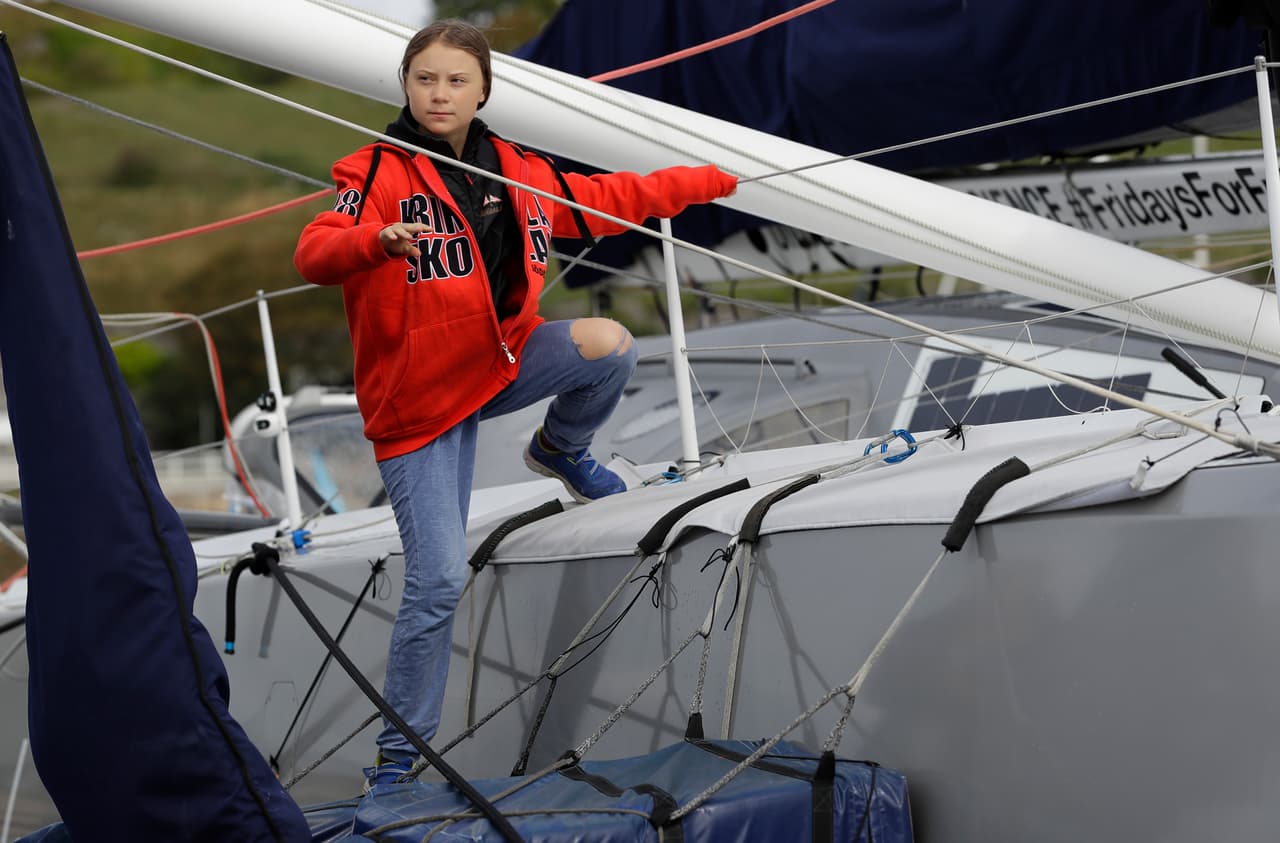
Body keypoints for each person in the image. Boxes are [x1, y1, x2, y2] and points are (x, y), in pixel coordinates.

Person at [293, 19, 738, 789]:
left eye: (456, 81)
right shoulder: (372, 170)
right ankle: (395, 765)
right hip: (418, 404)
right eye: (426, 78)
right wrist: (376, 242)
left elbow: (609, 199)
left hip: (498, 364)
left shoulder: (520, 169)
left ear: (483, 90)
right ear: (406, 84)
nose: (440, 94)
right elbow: (315, 248)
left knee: (610, 344)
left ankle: (562, 450)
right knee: (437, 582)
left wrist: (715, 179)